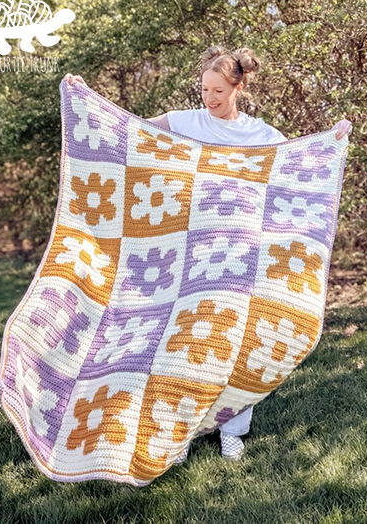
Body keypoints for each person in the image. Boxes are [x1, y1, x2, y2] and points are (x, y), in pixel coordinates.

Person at [63, 45, 351, 464]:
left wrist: (333, 138)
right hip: (187, 256)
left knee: (234, 342)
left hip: (240, 256)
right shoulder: (186, 122)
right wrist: (86, 97)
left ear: (238, 87)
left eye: (218, 90)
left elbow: (298, 163)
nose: (210, 98)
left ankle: (232, 429)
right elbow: (130, 129)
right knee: (184, 344)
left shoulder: (260, 135)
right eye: (204, 89)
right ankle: (177, 434)